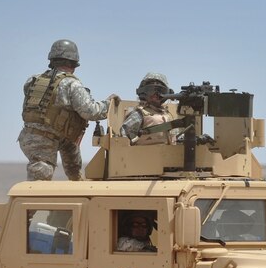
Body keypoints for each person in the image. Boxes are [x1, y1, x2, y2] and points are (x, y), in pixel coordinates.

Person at [18, 39, 120, 181]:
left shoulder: (32, 80)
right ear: (73, 64)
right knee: (40, 180)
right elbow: (91, 112)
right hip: (44, 140)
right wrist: (109, 104)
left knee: (73, 161)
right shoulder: (72, 84)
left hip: (32, 136)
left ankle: (76, 188)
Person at [121, 73, 177, 145]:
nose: (156, 94)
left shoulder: (168, 116)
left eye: (160, 91)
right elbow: (124, 139)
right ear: (143, 92)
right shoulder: (139, 114)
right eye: (151, 90)